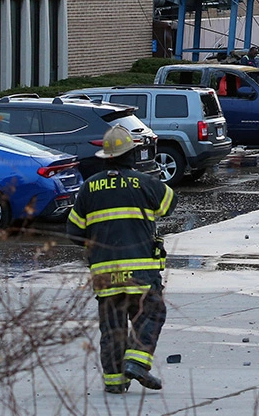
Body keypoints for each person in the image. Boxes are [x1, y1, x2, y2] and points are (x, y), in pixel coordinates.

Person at [67, 125, 176, 394]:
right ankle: (137, 362)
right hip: (141, 271)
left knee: (112, 328)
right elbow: (169, 204)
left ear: (107, 157)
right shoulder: (144, 182)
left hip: (105, 273)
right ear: (132, 154)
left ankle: (115, 382)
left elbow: (74, 232)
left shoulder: (89, 187)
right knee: (152, 313)